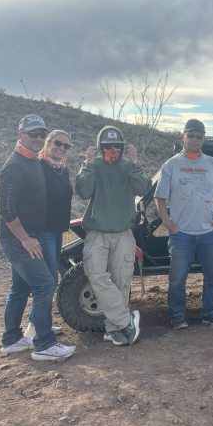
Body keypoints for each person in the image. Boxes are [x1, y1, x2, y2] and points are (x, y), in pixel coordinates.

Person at [0, 114, 76, 361]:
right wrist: (26, 239)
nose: (38, 139)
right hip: (19, 239)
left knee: (20, 288)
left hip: (30, 236)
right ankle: (44, 344)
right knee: (45, 284)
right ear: (20, 135)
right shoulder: (15, 166)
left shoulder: (31, 162)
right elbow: (6, 209)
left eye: (42, 134)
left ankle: (12, 340)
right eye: (33, 134)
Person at [76, 126, 150, 346]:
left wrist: (135, 162)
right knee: (96, 274)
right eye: (107, 147)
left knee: (121, 280)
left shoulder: (128, 167)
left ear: (121, 148)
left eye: (116, 147)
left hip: (123, 233)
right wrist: (88, 164)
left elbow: (143, 188)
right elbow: (83, 192)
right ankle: (127, 320)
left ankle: (113, 328)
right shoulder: (94, 166)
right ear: (100, 147)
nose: (112, 151)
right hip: (97, 233)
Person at [154, 119, 213, 330]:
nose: (195, 139)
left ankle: (209, 313)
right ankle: (178, 316)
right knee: (177, 279)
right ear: (183, 138)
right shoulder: (171, 165)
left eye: (199, 136)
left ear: (203, 139)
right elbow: (160, 198)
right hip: (182, 234)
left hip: (209, 232)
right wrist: (169, 224)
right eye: (191, 135)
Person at [24, 130, 74, 339]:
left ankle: (36, 323)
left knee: (48, 280)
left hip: (56, 230)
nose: (61, 148)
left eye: (66, 146)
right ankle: (34, 328)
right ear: (47, 142)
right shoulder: (39, 166)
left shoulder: (63, 170)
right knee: (48, 280)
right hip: (43, 230)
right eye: (57, 143)